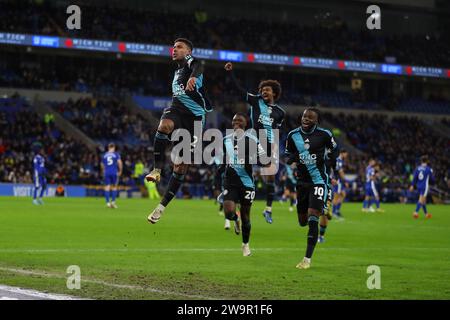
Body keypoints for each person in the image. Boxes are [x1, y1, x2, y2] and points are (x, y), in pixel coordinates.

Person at [146, 38, 213, 223]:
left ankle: (160, 208)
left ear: (188, 51)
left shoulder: (191, 63)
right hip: (176, 111)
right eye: (173, 47)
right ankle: (156, 170)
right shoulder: (176, 72)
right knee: (164, 126)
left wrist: (193, 77)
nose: (174, 50)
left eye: (179, 47)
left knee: (181, 166)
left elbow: (199, 64)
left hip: (195, 119)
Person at [224, 62, 285, 224]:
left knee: (271, 176)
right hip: (251, 141)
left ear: (274, 93)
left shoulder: (280, 112)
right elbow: (239, 90)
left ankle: (268, 210)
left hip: (269, 143)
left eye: (267, 90)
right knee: (239, 169)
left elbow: (276, 130)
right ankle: (230, 196)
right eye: (262, 90)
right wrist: (231, 73)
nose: (264, 92)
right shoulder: (256, 101)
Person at [285, 107, 338, 269]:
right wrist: (295, 157)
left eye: (310, 118)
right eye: (304, 117)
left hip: (318, 180)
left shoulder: (324, 134)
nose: (306, 119)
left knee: (313, 216)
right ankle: (324, 205)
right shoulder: (293, 135)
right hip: (302, 182)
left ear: (316, 120)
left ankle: (307, 259)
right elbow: (289, 155)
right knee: (303, 221)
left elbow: (335, 150)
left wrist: (331, 163)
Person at [219, 113, 267, 256]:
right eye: (234, 120)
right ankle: (235, 219)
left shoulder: (253, 140)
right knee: (228, 212)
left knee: (246, 216)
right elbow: (224, 160)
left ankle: (245, 244)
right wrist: (219, 173)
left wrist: (253, 157)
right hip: (230, 182)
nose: (236, 122)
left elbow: (263, 159)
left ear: (245, 124)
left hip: (246, 182)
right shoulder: (226, 140)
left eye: (239, 120)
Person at [410, 155, 434, 219]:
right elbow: (432, 179)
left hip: (418, 185)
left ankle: (426, 214)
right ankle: (416, 212)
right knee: (421, 199)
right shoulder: (428, 169)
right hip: (424, 186)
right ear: (427, 161)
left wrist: (412, 185)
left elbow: (414, 177)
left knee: (424, 200)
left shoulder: (417, 168)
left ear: (421, 161)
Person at [101, 143, 123, 209]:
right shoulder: (116, 154)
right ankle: (113, 202)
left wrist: (103, 171)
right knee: (114, 187)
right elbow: (120, 162)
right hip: (114, 172)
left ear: (108, 147)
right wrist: (120, 171)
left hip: (107, 172)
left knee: (107, 187)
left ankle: (107, 203)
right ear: (113, 147)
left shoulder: (104, 155)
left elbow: (102, 164)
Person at [332, 149, 349, 218]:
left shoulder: (339, 160)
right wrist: (345, 181)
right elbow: (340, 171)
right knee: (336, 196)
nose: (346, 156)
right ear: (342, 153)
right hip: (338, 180)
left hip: (338, 180)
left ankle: (337, 210)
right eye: (346, 154)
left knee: (343, 194)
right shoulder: (339, 160)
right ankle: (334, 212)